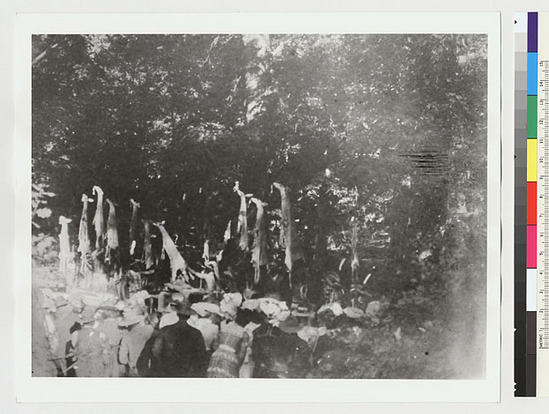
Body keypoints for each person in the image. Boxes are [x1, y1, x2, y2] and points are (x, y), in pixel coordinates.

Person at [147, 299, 208, 377]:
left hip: (167, 372)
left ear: (177, 314)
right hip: (187, 373)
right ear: (189, 316)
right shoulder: (196, 333)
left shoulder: (165, 330)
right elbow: (201, 357)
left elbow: (155, 351)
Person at [206, 308, 250, 378]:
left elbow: (215, 344)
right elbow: (242, 354)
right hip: (230, 357)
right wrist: (237, 367)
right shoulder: (244, 334)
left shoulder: (224, 326)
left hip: (217, 354)